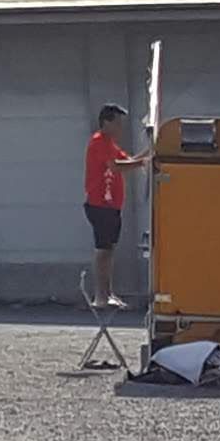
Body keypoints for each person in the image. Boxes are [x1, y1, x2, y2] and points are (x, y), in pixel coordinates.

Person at [84, 104, 146, 311]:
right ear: (107, 122)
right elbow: (115, 166)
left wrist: (148, 153)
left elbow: (127, 161)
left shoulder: (110, 143)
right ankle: (100, 295)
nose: (121, 128)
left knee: (109, 249)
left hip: (111, 205)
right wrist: (142, 163)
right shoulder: (99, 142)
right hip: (100, 203)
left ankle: (108, 293)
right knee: (103, 250)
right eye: (118, 123)